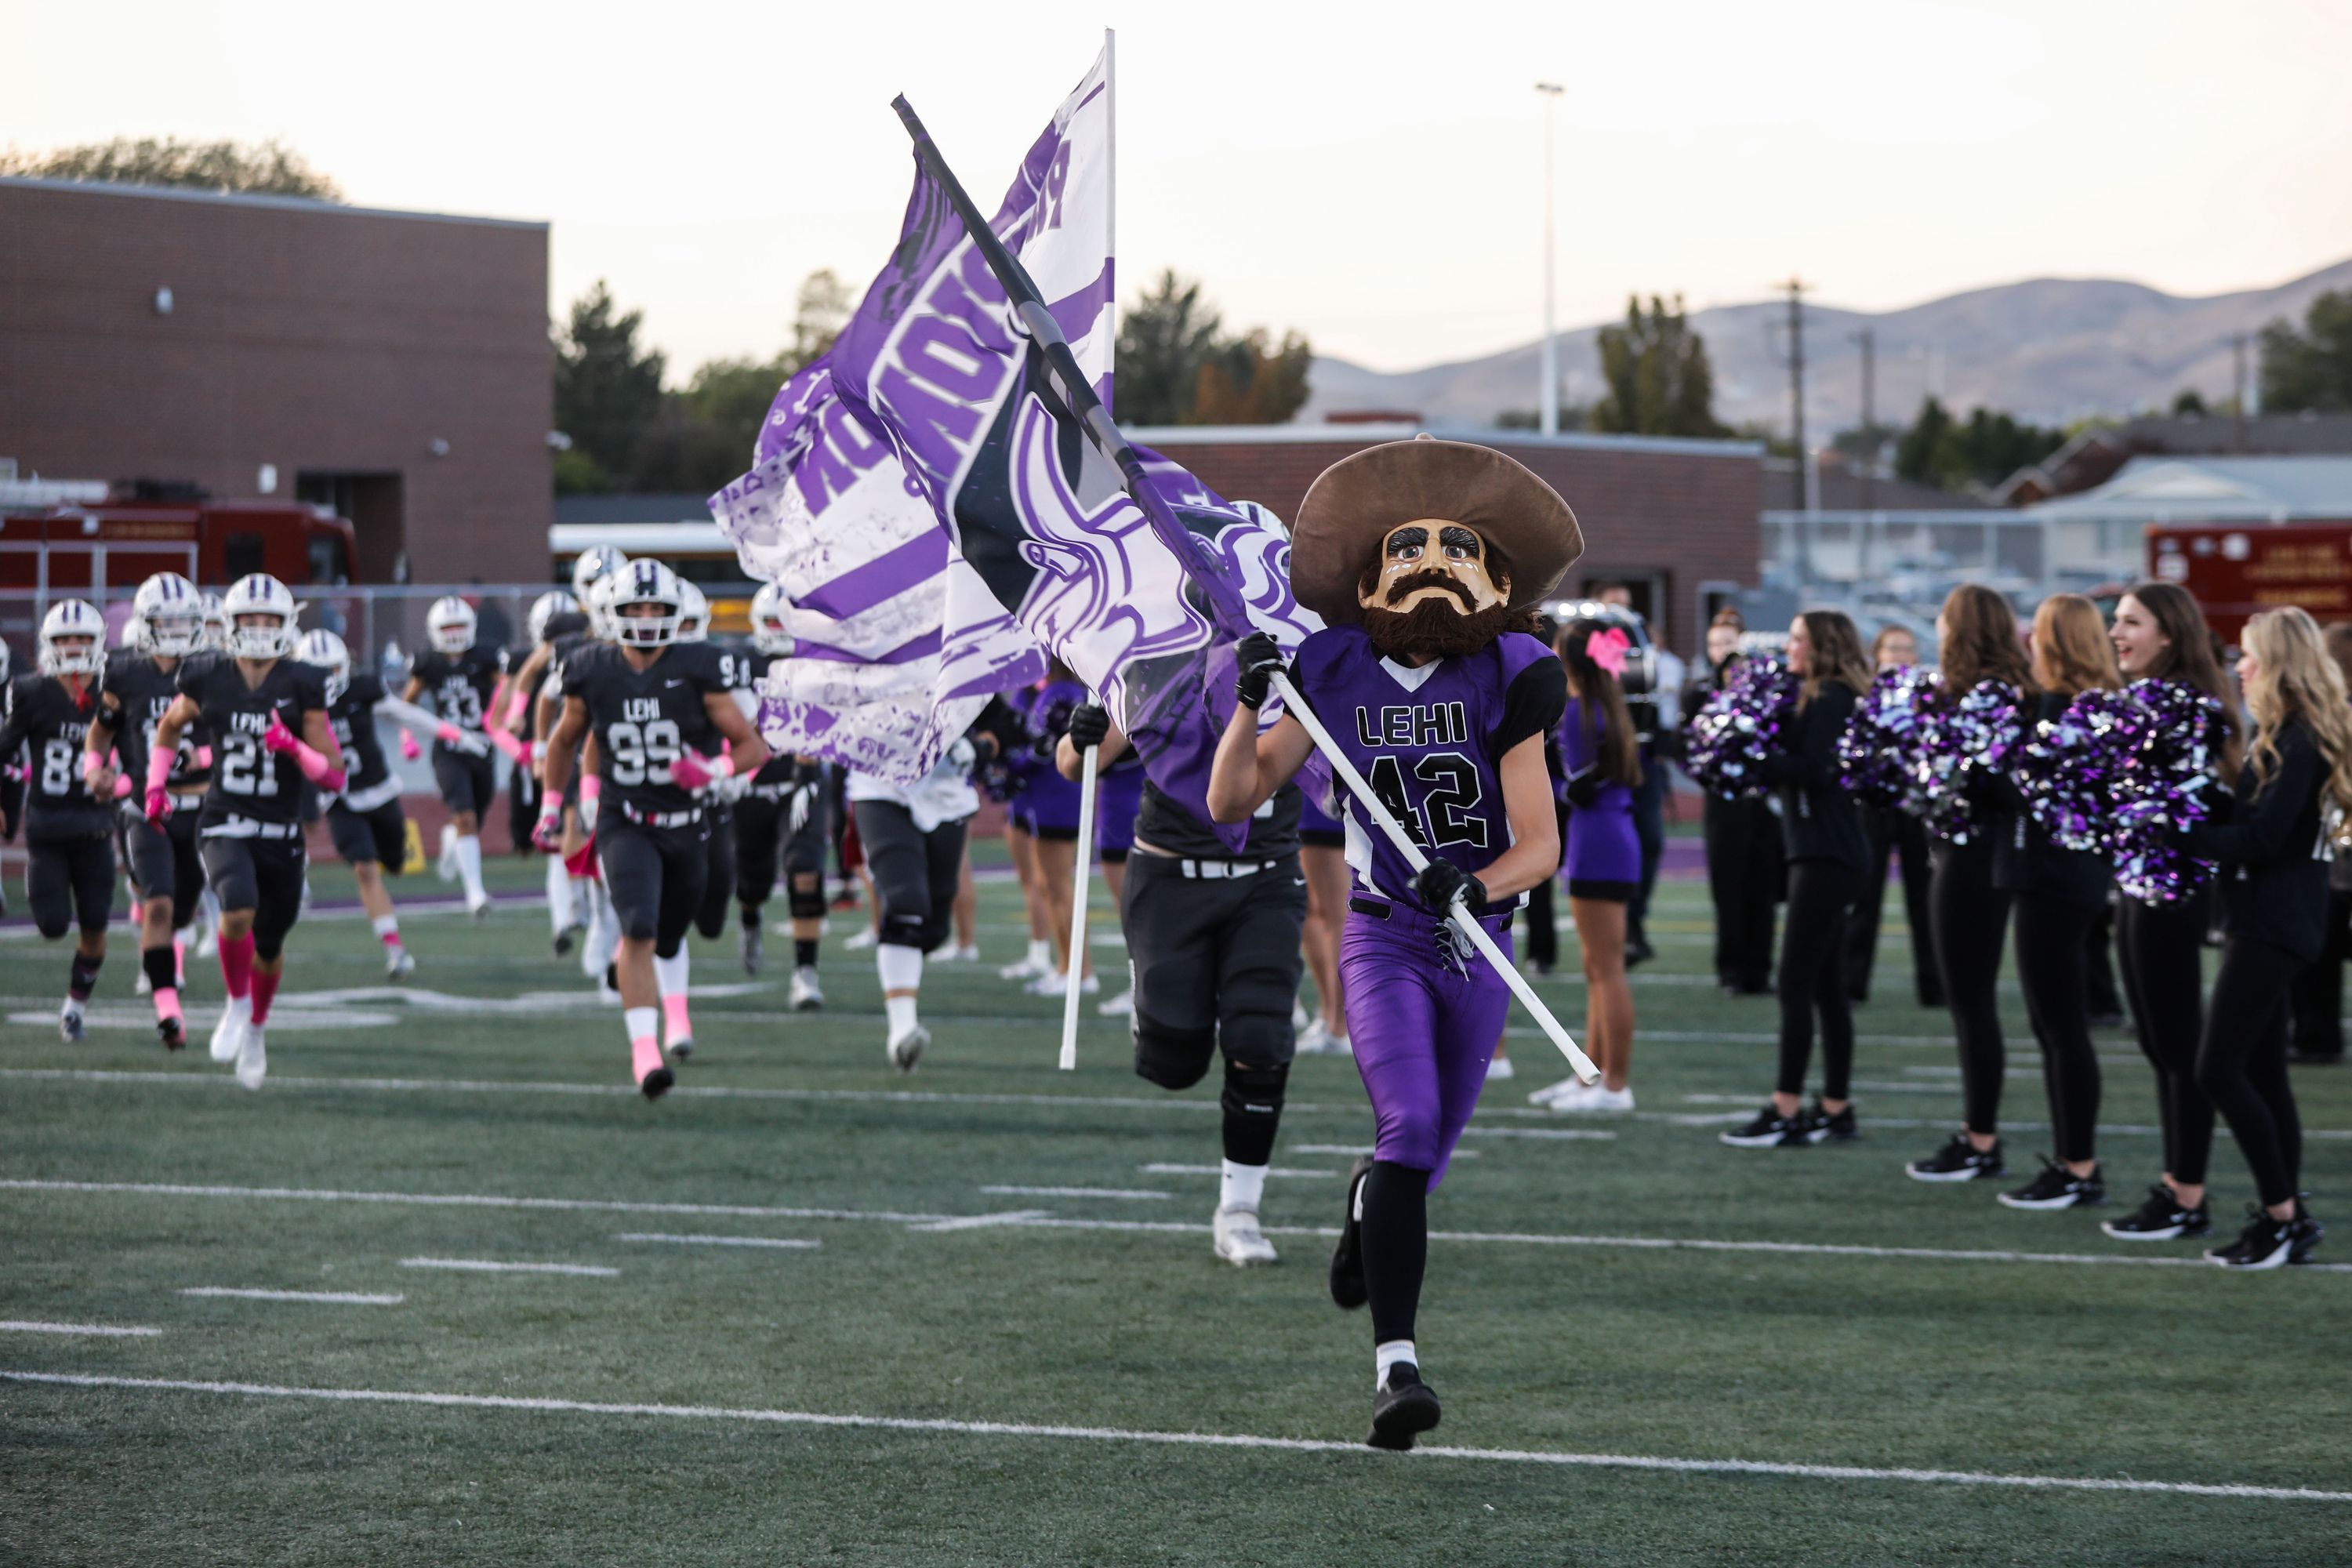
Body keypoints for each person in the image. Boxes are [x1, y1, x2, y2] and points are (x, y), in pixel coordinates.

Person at [1208, 436, 1573, 1451]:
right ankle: (1396, 1371)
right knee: (1408, 1128)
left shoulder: (1512, 671)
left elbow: (1539, 845)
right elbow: (1233, 797)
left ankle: (1368, 1204)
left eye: (1459, 549)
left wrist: (1478, 882)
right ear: (1365, 581)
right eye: (1406, 549)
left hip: (1480, 940)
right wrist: (1250, 702)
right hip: (1384, 938)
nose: (1431, 564)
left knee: (1421, 1164)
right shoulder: (1332, 669)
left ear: (1500, 581)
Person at [1061, 689, 1310, 1268]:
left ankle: (1240, 1210)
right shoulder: (1158, 664)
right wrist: (1081, 735)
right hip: (1169, 877)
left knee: (1260, 1038)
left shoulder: (1300, 661)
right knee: (1172, 1064)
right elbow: (1074, 765)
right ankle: (1154, 1014)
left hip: (1266, 876)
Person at [539, 559, 768, 1098]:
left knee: (670, 935)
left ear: (674, 612)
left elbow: (752, 746)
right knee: (638, 928)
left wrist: (711, 770)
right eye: (634, 608)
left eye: (656, 608)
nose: (645, 618)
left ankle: (671, 1015)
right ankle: (646, 1056)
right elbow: (566, 739)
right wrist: (552, 804)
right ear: (613, 613)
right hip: (625, 821)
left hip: (687, 824)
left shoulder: (699, 666)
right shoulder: (591, 667)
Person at [2177, 607, 2343, 1267]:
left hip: (2275, 922)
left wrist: (2179, 836)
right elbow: (2256, 819)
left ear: (2276, 662)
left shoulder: (2299, 739)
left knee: (2216, 1069)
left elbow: (2267, 837)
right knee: (2266, 1074)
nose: (2238, 667)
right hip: (2270, 917)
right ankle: (2286, 1217)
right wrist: (2190, 799)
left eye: (2248, 655)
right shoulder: (2284, 733)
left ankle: (2284, 1218)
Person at [151, 572, 344, 1091]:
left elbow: (334, 773)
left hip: (281, 829)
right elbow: (170, 725)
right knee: (237, 908)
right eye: (249, 618)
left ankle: (256, 1027)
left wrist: (294, 747)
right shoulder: (208, 674)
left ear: (286, 624)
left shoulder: (302, 681)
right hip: (224, 818)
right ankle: (236, 1003)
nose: (259, 627)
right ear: (230, 623)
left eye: (269, 618)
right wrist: (154, 784)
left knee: (271, 944)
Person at [2098, 583, 2237, 1241]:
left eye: (2131, 622)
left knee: (2177, 1045)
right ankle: (2176, 1185)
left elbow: (2176, 801)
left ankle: (2187, 1196)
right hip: (2136, 879)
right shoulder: (2141, 700)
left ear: (2170, 633)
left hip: (2172, 884)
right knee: (2157, 1043)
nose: (2116, 633)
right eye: (2116, 621)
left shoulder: (2183, 704)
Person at [1721, 611, 1875, 1149]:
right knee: (1827, 988)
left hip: (1827, 856)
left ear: (1822, 645)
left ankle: (1785, 1109)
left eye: (1798, 638)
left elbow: (1814, 768)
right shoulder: (1817, 693)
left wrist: (1751, 752)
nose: (1789, 646)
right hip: (1823, 852)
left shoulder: (1830, 695)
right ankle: (1836, 1108)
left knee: (1794, 983)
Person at [1991, 595, 2121, 1210]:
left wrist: (1987, 759)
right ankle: (2073, 1162)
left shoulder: (2063, 708)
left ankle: (2078, 1167)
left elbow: (2033, 793)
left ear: (2055, 642)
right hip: (2061, 876)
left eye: (2038, 633)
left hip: (2056, 877)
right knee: (2055, 1027)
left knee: (2061, 1027)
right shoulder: (2081, 705)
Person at [1902, 585, 2034, 1182]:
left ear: (1962, 628)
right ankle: (1977, 1135)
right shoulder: (1973, 693)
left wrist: (1957, 764)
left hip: (1974, 854)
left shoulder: (1992, 696)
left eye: (1945, 619)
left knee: (1971, 1001)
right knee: (1968, 1001)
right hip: (1962, 849)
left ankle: (1980, 1141)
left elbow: (2004, 785)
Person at [848, 706, 1014, 1073]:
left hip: (945, 791)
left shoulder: (960, 668)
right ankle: (902, 1031)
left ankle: (904, 963)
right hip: (880, 785)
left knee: (935, 926)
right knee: (906, 903)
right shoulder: (873, 666)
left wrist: (979, 747)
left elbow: (1003, 723)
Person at [299, 628, 469, 979]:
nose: (327, 679)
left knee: (395, 864)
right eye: (319, 672)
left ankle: (443, 847)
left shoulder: (361, 689)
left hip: (379, 790)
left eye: (333, 669)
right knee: (365, 869)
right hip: (339, 798)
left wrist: (452, 732)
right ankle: (395, 949)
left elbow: (403, 713)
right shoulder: (294, 704)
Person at [87, 575, 210, 1047]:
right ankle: (168, 1013)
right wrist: (94, 769)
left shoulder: (214, 668)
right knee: (159, 904)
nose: (177, 630)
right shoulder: (124, 673)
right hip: (147, 804)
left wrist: (203, 756)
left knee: (184, 908)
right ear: (146, 624)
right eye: (167, 621)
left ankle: (151, 912)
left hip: (201, 807)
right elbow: (101, 732)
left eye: (184, 621)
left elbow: (237, 735)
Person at [1529, 618, 1642, 1112]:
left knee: (1607, 970)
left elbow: (1572, 787)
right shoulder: (1606, 706)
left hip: (1597, 841)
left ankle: (1615, 1086)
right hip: (1607, 836)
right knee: (1597, 968)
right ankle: (1591, 1077)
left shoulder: (1578, 712)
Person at [5, 600, 117, 1042]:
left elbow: (134, 753)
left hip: (95, 827)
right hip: (48, 828)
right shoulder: (31, 692)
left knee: (96, 925)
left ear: (98, 643)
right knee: (52, 925)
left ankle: (73, 1011)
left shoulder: (113, 693)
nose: (73, 647)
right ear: (48, 644)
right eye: (64, 639)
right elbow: (4, 746)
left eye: (82, 638)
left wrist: (120, 781)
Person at [731, 582, 829, 1009]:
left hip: (799, 785)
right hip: (751, 786)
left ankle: (805, 972)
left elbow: (826, 720)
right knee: (751, 880)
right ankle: (750, 918)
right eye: (775, 621)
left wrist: (809, 773)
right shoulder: (737, 665)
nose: (783, 630)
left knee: (806, 871)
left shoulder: (819, 663)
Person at [1846, 624, 1942, 1007]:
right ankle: (1852, 984)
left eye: (1907, 648)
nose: (1901, 656)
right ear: (1878, 655)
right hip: (1874, 806)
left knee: (1925, 899)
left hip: (1917, 808)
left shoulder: (1930, 697)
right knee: (1864, 897)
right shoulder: (1864, 696)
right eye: (1893, 649)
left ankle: (1934, 987)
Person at [1689, 610, 1780, 993]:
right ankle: (1731, 971)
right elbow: (1685, 747)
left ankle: (1760, 970)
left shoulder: (1770, 695)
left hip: (1763, 805)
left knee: (1764, 889)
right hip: (1723, 806)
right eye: (1715, 644)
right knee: (1728, 890)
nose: (1721, 651)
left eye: (1729, 643)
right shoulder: (1700, 693)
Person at [496, 590, 583, 948]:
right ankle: (572, 909)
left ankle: (569, 915)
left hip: (581, 748)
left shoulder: (603, 644)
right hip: (541, 751)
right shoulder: (536, 657)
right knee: (529, 841)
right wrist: (528, 749)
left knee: (570, 824)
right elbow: (500, 718)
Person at [406, 596, 500, 919]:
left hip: (482, 748)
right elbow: (407, 701)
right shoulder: (429, 663)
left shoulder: (485, 658)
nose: (455, 633)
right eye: (448, 628)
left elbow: (509, 689)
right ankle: (475, 894)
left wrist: (506, 717)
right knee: (466, 818)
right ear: (435, 631)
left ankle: (452, 839)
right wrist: (407, 735)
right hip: (448, 751)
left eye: (460, 626)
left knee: (473, 821)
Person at [2287, 620, 2352, 1064]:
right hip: (2336, 847)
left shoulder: (2331, 715)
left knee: (2318, 952)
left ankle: (2317, 1035)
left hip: (2333, 851)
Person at [1013, 664, 1097, 998]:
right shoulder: (1070, 692)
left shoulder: (1057, 694)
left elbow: (1040, 751)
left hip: (1055, 797)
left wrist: (1006, 768)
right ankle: (1067, 967)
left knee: (1058, 888)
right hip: (1056, 795)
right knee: (1050, 887)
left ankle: (1080, 971)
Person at [1293, 786, 1352, 1052]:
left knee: (1334, 915)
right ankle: (1329, 1015)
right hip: (1310, 790)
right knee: (1311, 909)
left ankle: (1341, 1026)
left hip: (1324, 789)